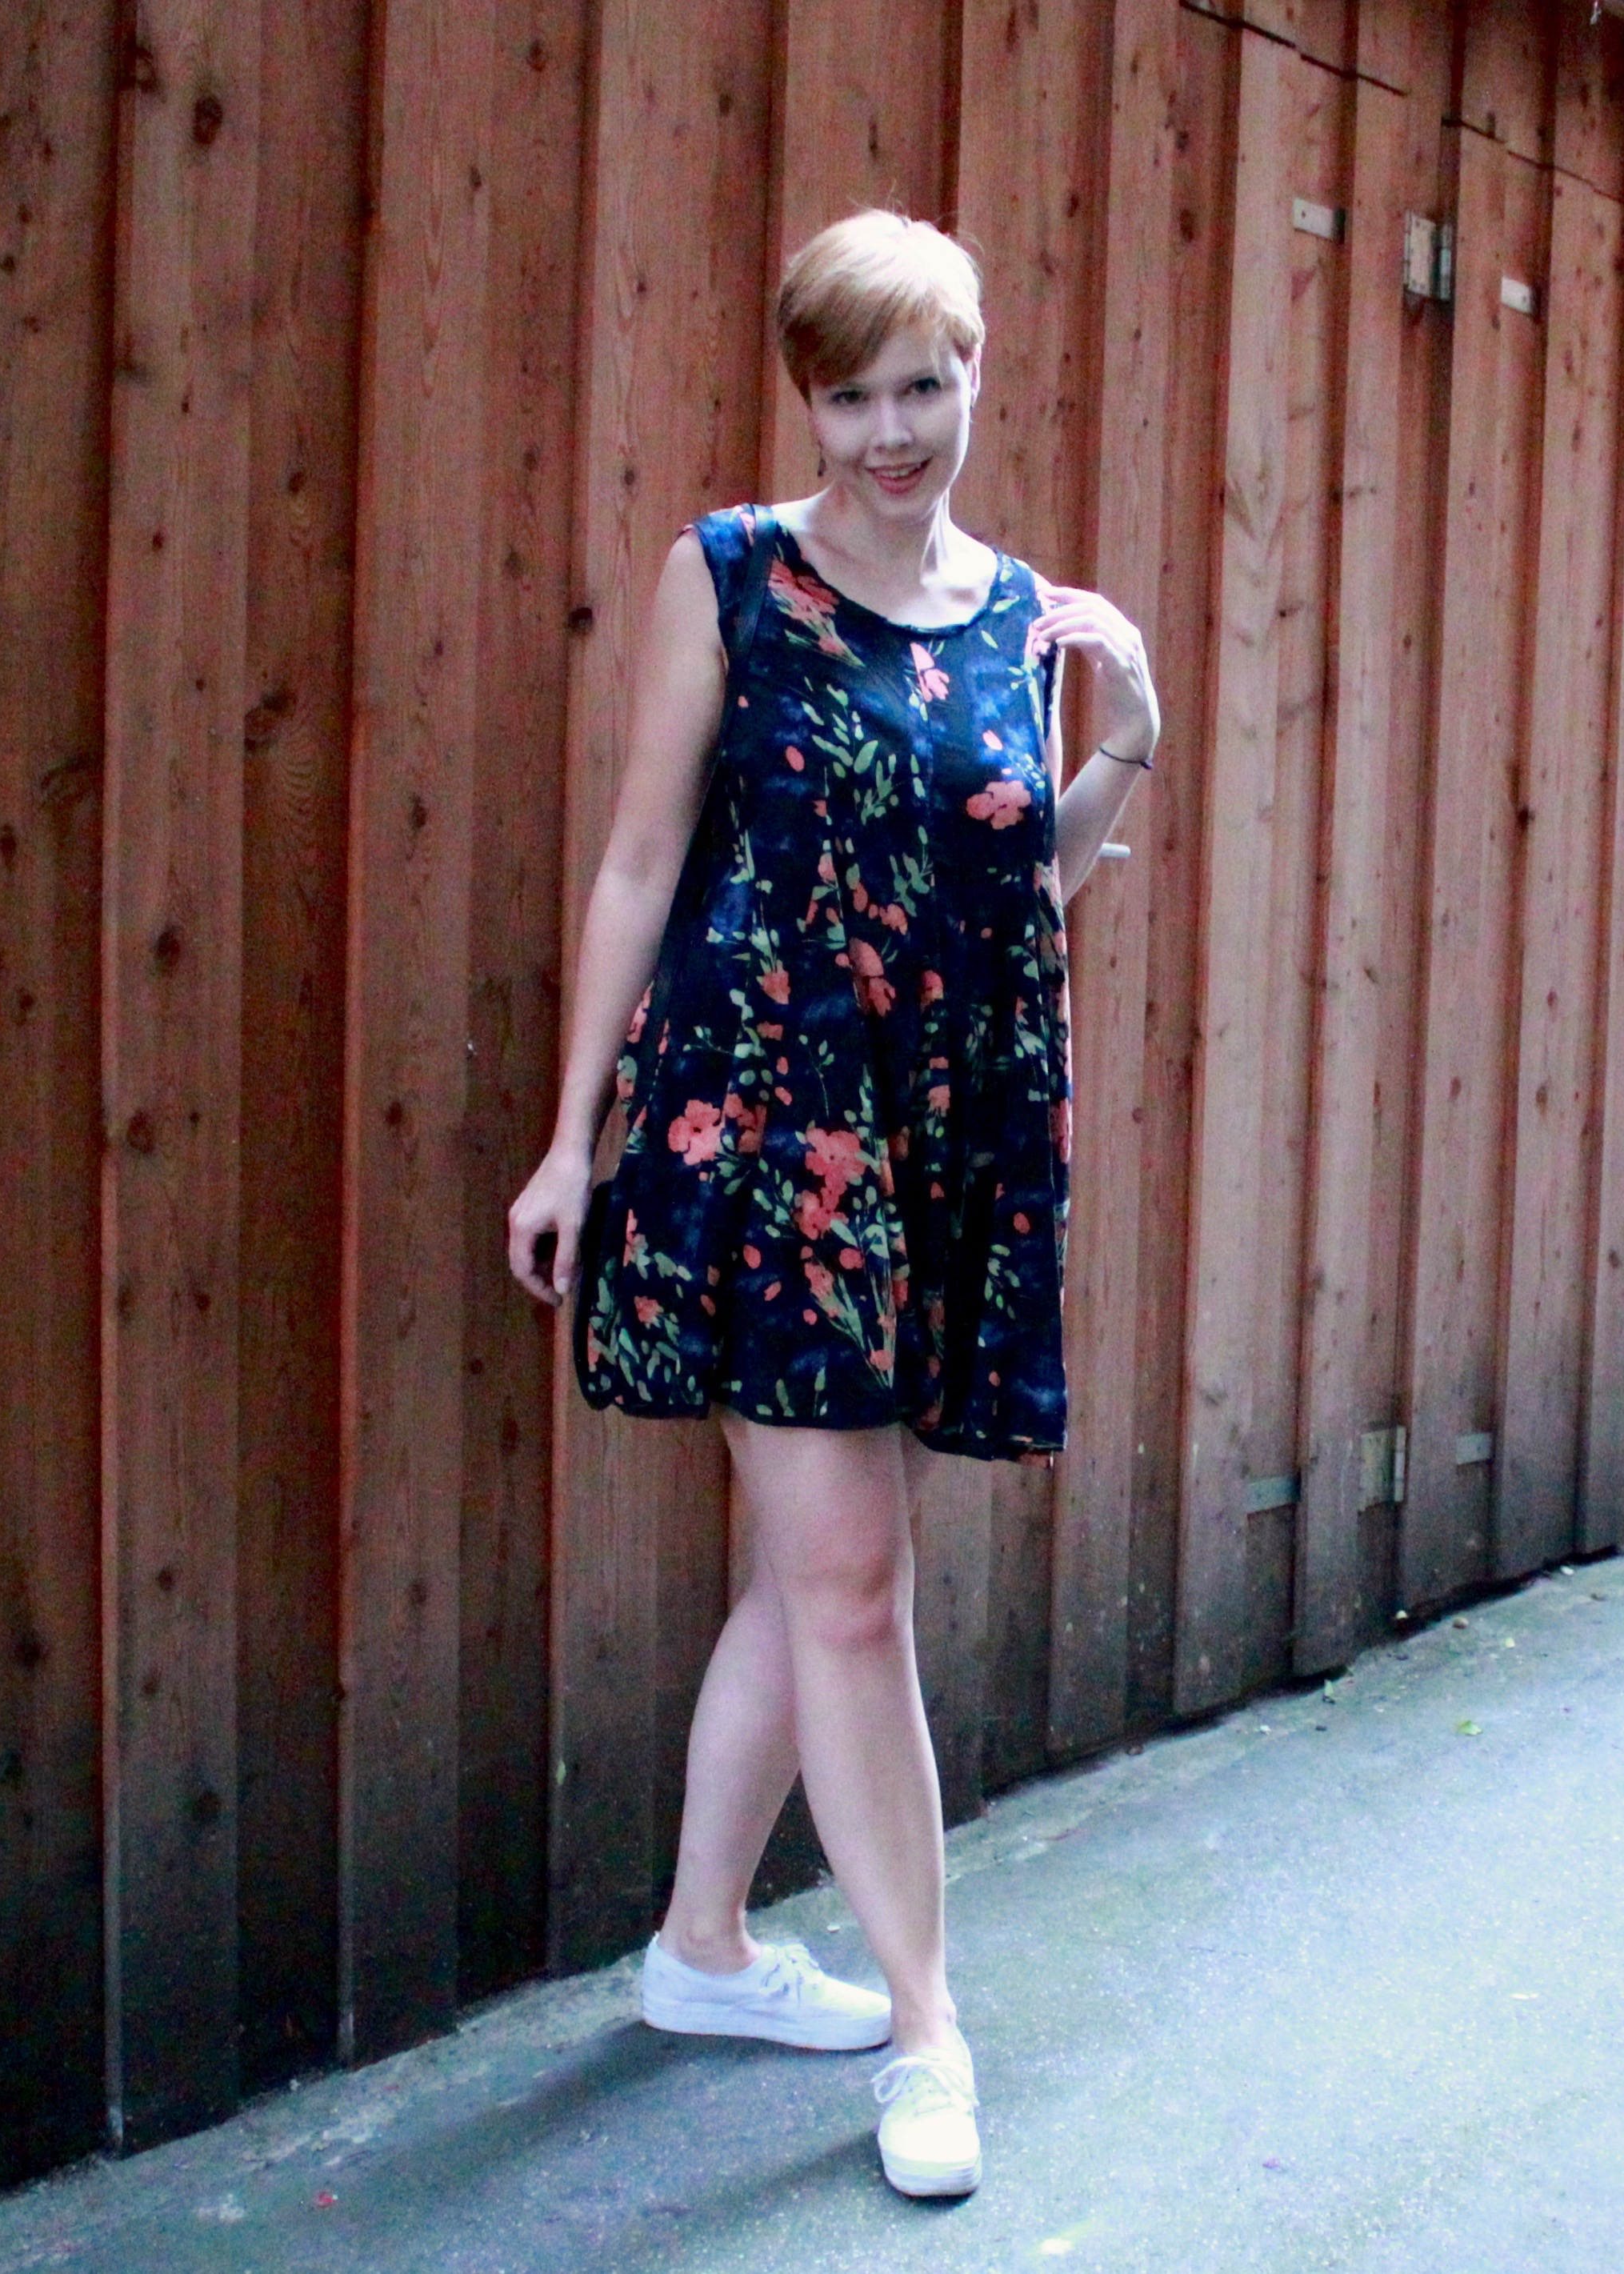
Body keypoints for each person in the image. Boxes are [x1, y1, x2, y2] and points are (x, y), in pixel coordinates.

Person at [506, 208, 1160, 2200]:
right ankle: (926, 2026)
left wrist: (1123, 740)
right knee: (855, 1583)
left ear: (974, 372)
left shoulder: (1018, 616)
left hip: (929, 1147)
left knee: (816, 1578)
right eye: (853, 392)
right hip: (752, 1132)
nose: (892, 430)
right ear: (809, 400)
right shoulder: (729, 573)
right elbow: (639, 864)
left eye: (923, 385)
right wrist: (569, 1136)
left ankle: (702, 1949)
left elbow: (1002, 901)